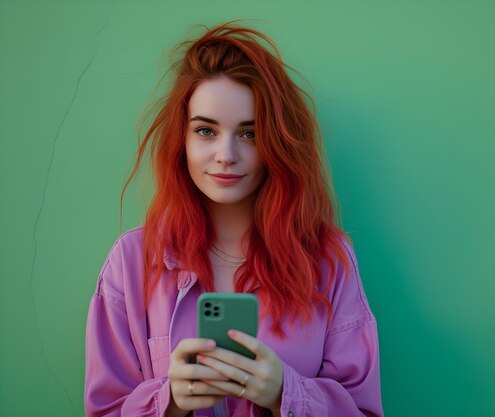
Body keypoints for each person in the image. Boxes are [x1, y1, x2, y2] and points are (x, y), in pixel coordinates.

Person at [84, 19, 383, 417]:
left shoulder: (328, 260)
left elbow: (363, 411)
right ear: (182, 141)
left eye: (250, 133)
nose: (226, 155)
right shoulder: (131, 261)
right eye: (206, 131)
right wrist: (169, 402)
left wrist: (285, 394)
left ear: (277, 142)